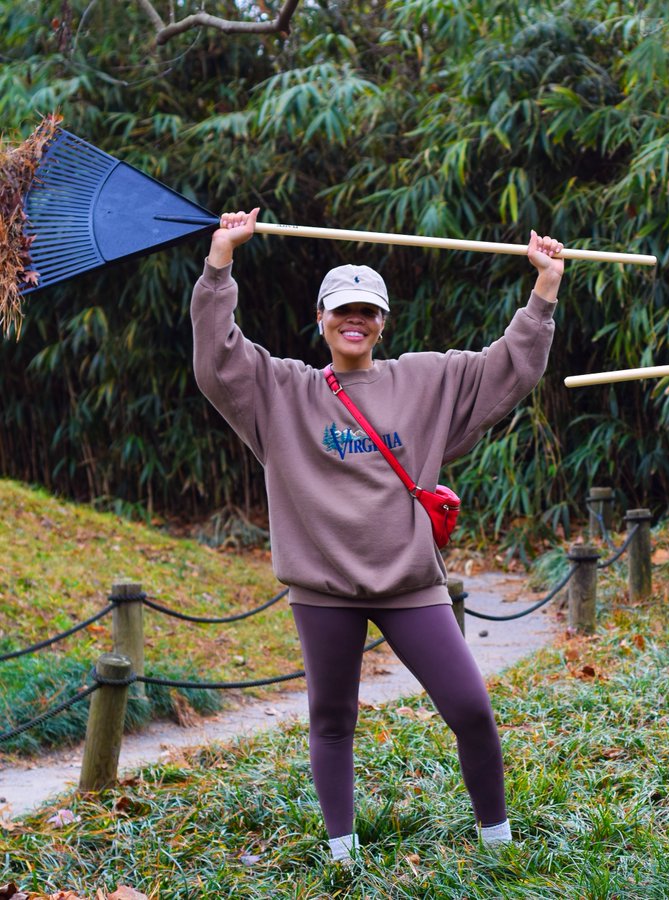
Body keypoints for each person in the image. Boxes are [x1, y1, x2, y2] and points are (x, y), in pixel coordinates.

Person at [191, 207, 565, 865]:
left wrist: (544, 290)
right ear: (321, 320)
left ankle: (499, 844)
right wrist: (220, 262)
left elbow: (508, 369)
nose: (354, 320)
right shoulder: (283, 390)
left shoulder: (424, 380)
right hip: (323, 588)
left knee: (472, 709)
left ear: (384, 322)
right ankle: (343, 854)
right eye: (341, 310)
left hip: (409, 584)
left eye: (367, 310)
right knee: (333, 721)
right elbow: (217, 360)